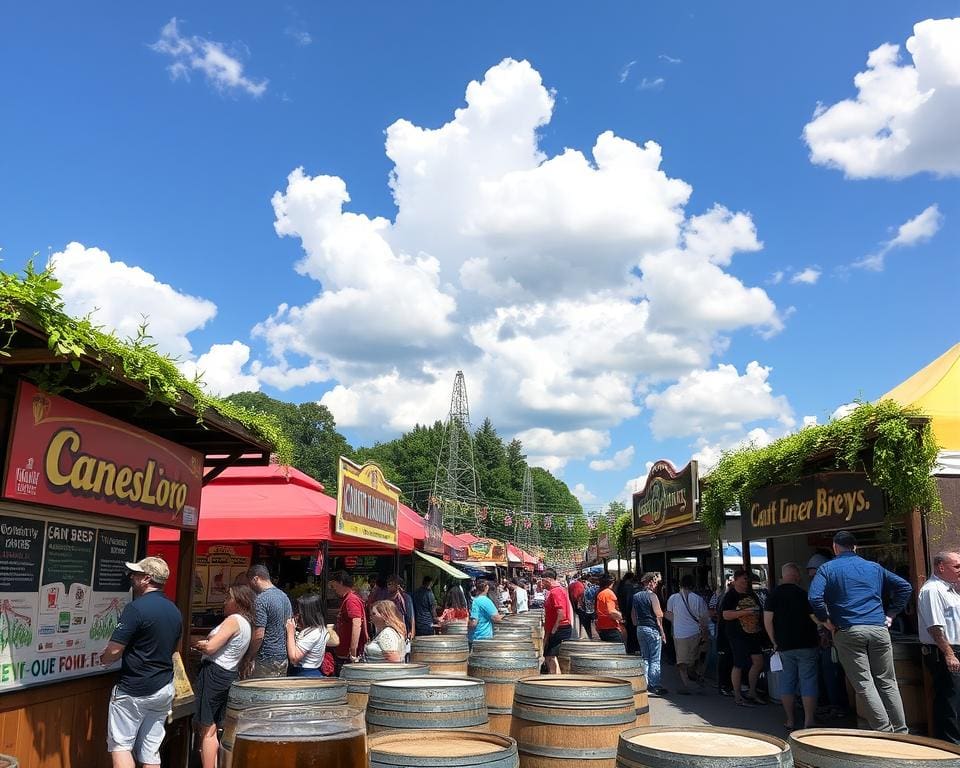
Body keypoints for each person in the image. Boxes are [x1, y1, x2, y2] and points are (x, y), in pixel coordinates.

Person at [809, 530, 912, 733]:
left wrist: (825, 620)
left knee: (865, 684)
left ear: (835, 547)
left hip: (848, 629)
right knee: (888, 682)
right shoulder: (874, 567)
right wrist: (891, 614)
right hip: (878, 628)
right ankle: (901, 731)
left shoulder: (827, 568)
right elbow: (905, 586)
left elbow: (814, 598)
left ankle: (884, 731)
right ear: (855, 547)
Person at [100, 557, 182, 768]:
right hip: (163, 688)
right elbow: (175, 650)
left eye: (135, 574)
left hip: (134, 688)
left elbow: (115, 650)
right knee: (150, 751)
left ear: (147, 579)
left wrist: (103, 658)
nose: (131, 577)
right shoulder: (174, 610)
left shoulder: (135, 609)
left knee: (121, 745)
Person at [192, 585, 255, 768]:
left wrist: (198, 643)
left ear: (238, 602)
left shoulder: (234, 619)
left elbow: (211, 648)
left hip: (215, 672)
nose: (225, 601)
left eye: (228, 598)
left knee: (207, 728)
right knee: (214, 727)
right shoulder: (246, 623)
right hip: (228, 673)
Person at [764, 563, 820, 730]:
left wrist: (774, 641)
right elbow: (815, 618)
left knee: (787, 681)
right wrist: (826, 628)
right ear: (796, 576)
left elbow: (767, 621)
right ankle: (809, 720)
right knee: (808, 680)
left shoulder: (773, 595)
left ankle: (789, 719)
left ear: (783, 576)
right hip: (807, 643)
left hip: (784, 645)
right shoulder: (804, 594)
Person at [917, 550, 960, 743]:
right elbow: (935, 626)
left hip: (955, 648)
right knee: (949, 700)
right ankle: (951, 746)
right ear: (941, 567)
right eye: (957, 566)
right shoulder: (932, 590)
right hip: (945, 650)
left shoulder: (951, 590)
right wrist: (949, 654)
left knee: (956, 699)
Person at [807, 553, 848, 718]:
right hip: (828, 638)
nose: (812, 579)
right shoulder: (832, 587)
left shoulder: (827, 590)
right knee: (828, 672)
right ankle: (832, 704)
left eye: (814, 574)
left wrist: (824, 624)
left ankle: (837, 705)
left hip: (832, 638)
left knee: (833, 673)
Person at [721, 568, 766, 707]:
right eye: (744, 579)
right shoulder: (730, 595)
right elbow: (726, 615)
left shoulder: (751, 594)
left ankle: (752, 692)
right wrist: (745, 612)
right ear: (736, 580)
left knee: (758, 661)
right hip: (737, 634)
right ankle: (738, 695)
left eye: (748, 579)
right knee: (739, 663)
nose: (746, 582)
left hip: (753, 633)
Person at [241, 564, 293, 679]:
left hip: (265, 658)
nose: (249, 586)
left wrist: (249, 656)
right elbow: (289, 626)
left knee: (262, 693)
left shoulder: (261, 600)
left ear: (255, 579)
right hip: (282, 657)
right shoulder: (284, 597)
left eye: (249, 582)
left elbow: (259, 634)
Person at [666, 574, 709, 694]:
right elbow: (704, 619)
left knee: (681, 661)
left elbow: (668, 615)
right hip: (695, 632)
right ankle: (696, 675)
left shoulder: (673, 598)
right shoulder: (698, 599)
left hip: (679, 633)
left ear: (680, 584)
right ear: (693, 585)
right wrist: (705, 634)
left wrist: (678, 621)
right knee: (695, 658)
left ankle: (686, 684)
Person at [632, 572, 668, 695]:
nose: (656, 585)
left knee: (645, 657)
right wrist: (662, 632)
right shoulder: (653, 596)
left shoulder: (636, 596)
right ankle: (655, 684)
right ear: (651, 582)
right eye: (656, 582)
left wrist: (637, 624)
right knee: (655, 658)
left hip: (640, 628)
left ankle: (644, 683)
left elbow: (633, 615)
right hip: (652, 628)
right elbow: (659, 615)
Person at [330, 571, 370, 673]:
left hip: (348, 656)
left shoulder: (351, 600)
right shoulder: (349, 598)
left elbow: (357, 624)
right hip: (344, 653)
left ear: (341, 583)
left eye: (335, 586)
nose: (334, 589)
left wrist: (353, 652)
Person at [285, 593, 331, 677]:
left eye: (299, 612)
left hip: (305, 674)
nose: (296, 615)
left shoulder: (315, 633)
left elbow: (294, 658)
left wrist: (290, 632)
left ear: (307, 613)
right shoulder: (319, 629)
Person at [542, 568, 573, 673]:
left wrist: (554, 630)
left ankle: (553, 677)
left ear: (548, 579)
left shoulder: (556, 592)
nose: (542, 583)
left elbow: (561, 613)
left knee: (550, 656)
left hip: (560, 628)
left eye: (543, 581)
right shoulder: (556, 590)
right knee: (550, 655)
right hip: (558, 628)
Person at [387, 575, 415, 658]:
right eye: (388, 584)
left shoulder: (405, 598)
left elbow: (411, 616)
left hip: (402, 631)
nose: (388, 586)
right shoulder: (387, 598)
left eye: (390, 584)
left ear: (397, 585)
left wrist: (412, 632)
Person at [595, 574, 625, 642]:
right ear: (612, 583)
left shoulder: (601, 593)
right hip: (611, 628)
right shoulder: (609, 593)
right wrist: (621, 618)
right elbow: (612, 612)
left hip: (603, 627)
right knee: (617, 650)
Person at [616, 573, 640, 654]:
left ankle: (630, 649)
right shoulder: (628, 588)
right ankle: (632, 649)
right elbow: (628, 602)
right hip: (629, 613)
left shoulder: (620, 586)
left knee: (628, 632)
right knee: (632, 632)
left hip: (624, 613)